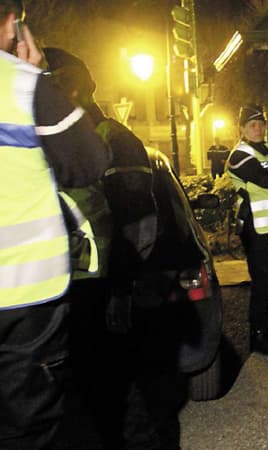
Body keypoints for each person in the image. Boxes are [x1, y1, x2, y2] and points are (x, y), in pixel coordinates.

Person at [43, 48, 183, 449]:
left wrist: (121, 291)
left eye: (52, 84)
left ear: (71, 85)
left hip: (101, 290)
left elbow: (139, 222)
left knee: (120, 394)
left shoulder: (113, 140)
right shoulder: (53, 143)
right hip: (61, 291)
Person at [0, 2, 111, 448]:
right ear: (12, 22)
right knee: (27, 430)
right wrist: (40, 75)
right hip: (24, 297)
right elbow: (88, 162)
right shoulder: (23, 85)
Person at [227, 104, 268, 357]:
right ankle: (257, 336)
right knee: (262, 283)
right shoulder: (239, 155)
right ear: (242, 129)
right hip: (257, 229)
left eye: (260, 124)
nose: (257, 128)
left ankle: (264, 328)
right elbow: (267, 179)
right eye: (251, 125)